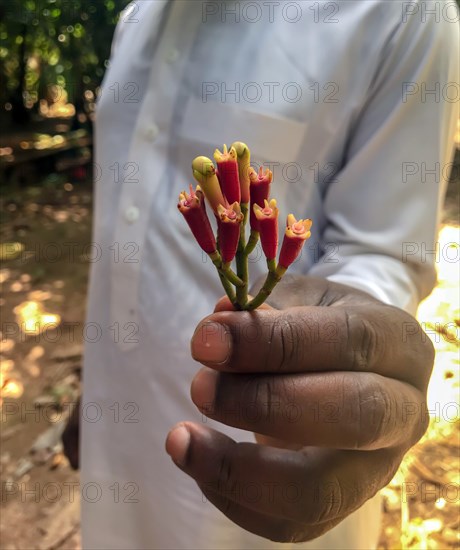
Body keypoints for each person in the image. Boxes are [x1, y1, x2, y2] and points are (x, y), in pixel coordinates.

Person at [63, 0, 459, 548]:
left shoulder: (406, 14)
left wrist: (353, 352)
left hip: (264, 461)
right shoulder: (139, 18)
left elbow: (384, 253)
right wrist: (97, 390)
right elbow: (127, 236)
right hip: (120, 445)